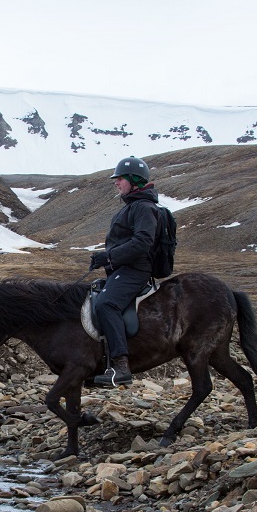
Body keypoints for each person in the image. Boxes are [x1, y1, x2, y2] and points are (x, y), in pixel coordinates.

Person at [88, 156, 161, 387]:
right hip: (122, 268)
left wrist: (109, 256)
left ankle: (120, 367)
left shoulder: (144, 207)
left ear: (133, 180)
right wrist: (104, 258)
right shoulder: (133, 206)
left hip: (135, 270)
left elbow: (142, 242)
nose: (116, 183)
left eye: (119, 178)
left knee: (106, 304)